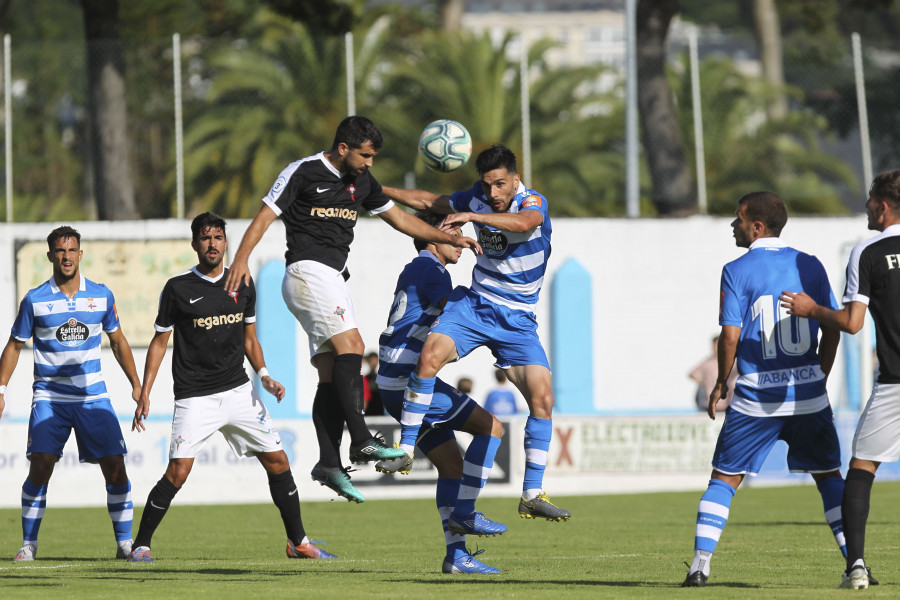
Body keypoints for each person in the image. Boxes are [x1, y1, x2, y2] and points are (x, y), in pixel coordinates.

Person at [223, 116, 481, 504]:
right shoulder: (304, 171)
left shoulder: (362, 182)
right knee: (354, 347)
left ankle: (328, 462)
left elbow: (402, 220)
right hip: (308, 272)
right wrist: (241, 259)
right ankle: (360, 441)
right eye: (365, 155)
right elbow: (265, 216)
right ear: (343, 148)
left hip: (332, 280)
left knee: (330, 373)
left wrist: (448, 236)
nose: (370, 163)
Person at [127, 213, 334, 563]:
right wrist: (145, 390)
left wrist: (264, 375)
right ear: (195, 245)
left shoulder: (242, 283)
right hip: (195, 396)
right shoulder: (178, 289)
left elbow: (249, 338)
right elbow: (160, 342)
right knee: (178, 472)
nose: (212, 244)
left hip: (239, 391)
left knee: (279, 461)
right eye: (205, 238)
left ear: (226, 242)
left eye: (218, 238)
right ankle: (141, 545)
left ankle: (298, 542)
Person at [382, 144, 570, 521]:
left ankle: (532, 493)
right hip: (476, 305)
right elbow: (429, 200)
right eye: (487, 186)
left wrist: (467, 212)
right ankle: (404, 447)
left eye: (501, 184)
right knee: (430, 355)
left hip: (518, 319)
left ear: (515, 179)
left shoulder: (531, 201)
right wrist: (376, 190)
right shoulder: (477, 197)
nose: (494, 194)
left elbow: (525, 224)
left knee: (543, 398)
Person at [682, 192, 847, 587]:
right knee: (829, 477)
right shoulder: (810, 264)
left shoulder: (737, 270)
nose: (733, 226)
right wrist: (819, 377)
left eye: (738, 219)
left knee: (724, 480)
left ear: (757, 226)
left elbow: (729, 338)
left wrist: (722, 382)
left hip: (756, 397)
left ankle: (699, 567)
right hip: (807, 394)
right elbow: (832, 329)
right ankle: (855, 562)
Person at [780, 170, 900, 589]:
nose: (866, 207)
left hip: (896, 384)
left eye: (869, 201)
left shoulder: (867, 251)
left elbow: (851, 323)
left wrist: (811, 309)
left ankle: (858, 568)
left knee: (862, 467)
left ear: (882, 207)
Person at [374, 212, 506, 574]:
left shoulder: (416, 268)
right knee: (491, 427)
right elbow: (456, 317)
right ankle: (466, 513)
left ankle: (456, 557)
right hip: (408, 383)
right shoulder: (432, 271)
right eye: (457, 233)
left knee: (451, 466)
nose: (463, 242)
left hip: (391, 383)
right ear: (434, 235)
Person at [0, 226, 141, 562]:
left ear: (81, 254)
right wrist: (1, 388)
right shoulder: (35, 300)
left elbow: (118, 341)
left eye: (72, 250)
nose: (66, 256)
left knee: (116, 467)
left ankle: (124, 544)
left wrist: (137, 385)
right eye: (60, 251)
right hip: (50, 398)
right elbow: (14, 345)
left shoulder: (102, 296)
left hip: (92, 397)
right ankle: (28, 544)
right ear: (51, 255)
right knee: (41, 466)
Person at [688, 335, 735, 412]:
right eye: (714, 346)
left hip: (727, 402)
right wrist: (703, 383)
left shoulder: (732, 362)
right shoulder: (707, 362)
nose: (716, 348)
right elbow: (692, 374)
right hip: (709, 402)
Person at [363, 351, 384, 416]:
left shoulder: (381, 378)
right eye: (371, 361)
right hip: (368, 411)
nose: (373, 363)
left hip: (380, 411)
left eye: (375, 360)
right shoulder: (365, 379)